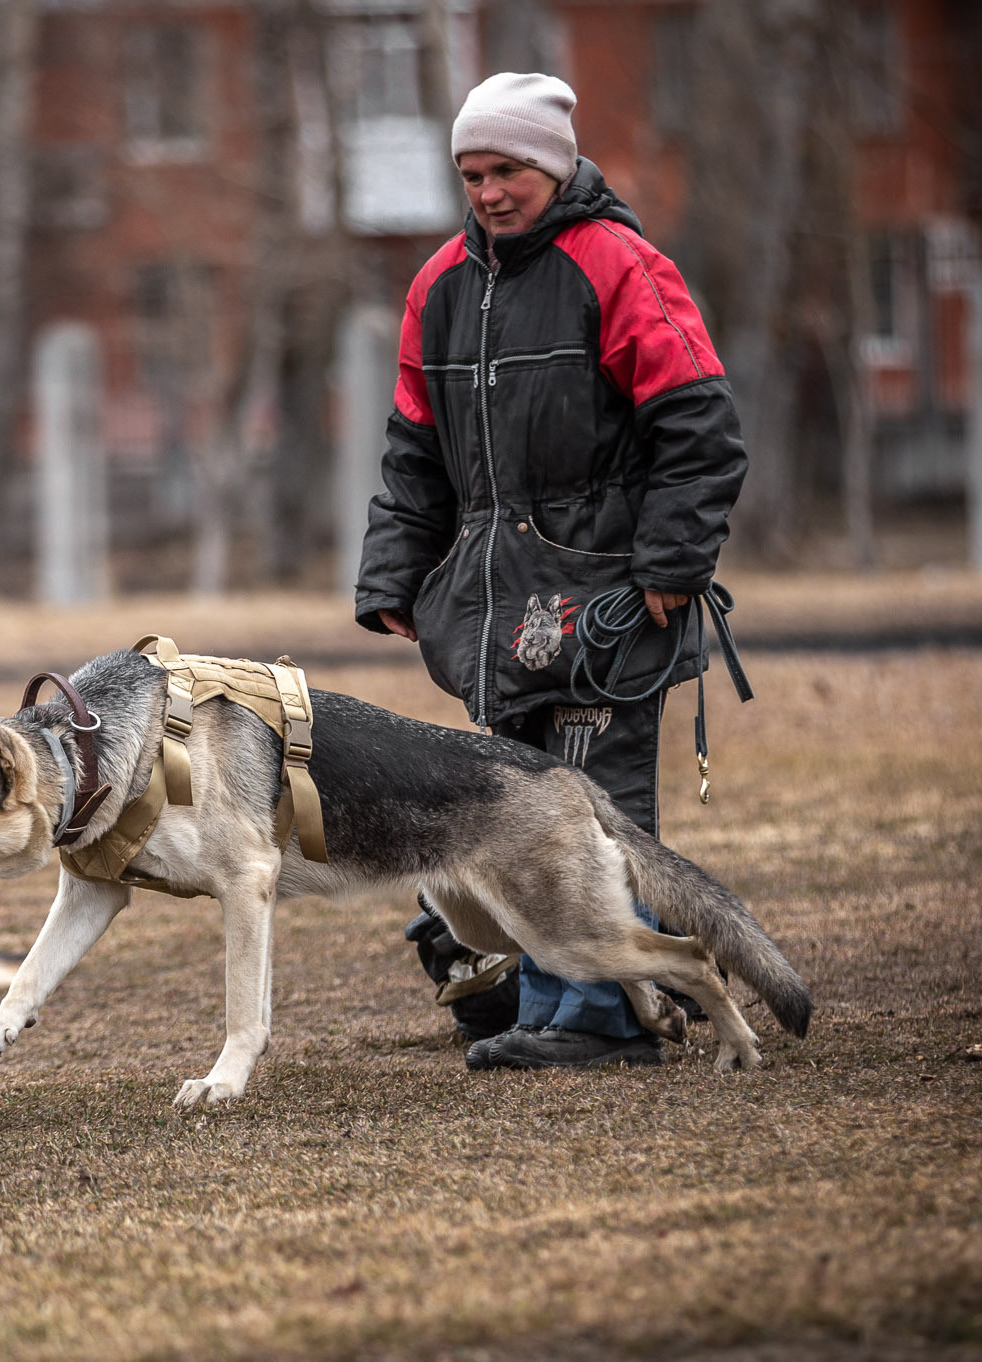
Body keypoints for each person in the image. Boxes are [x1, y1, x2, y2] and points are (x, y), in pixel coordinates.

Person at [354, 72, 746, 1070]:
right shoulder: (438, 285)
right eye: (470, 173)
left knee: (589, 800)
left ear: (555, 165)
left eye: (507, 170)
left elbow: (700, 429)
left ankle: (597, 1018)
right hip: (496, 610)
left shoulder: (619, 265)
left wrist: (670, 564)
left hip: (612, 598)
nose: (487, 192)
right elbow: (413, 452)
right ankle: (609, 983)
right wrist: (393, 576)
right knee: (518, 814)